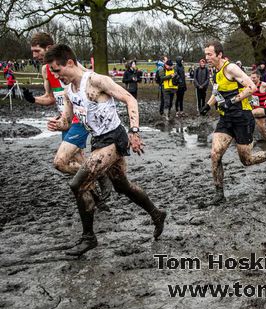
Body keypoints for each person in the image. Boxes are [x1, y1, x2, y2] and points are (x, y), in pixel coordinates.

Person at [44, 44, 166, 256]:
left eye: (57, 70)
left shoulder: (96, 81)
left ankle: (88, 237)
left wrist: (134, 132)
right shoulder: (68, 91)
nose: (56, 75)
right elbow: (68, 120)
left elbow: (130, 99)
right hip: (99, 141)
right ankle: (157, 214)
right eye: (53, 72)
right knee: (122, 186)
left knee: (79, 183)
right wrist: (58, 124)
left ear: (70, 63)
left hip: (115, 138)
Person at [22, 32, 111, 207]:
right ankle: (96, 198)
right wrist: (32, 99)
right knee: (77, 163)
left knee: (62, 162)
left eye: (36, 51)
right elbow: (50, 98)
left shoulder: (71, 66)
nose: (34, 55)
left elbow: (93, 81)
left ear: (48, 48)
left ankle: (99, 175)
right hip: (65, 122)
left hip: (79, 119)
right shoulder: (45, 70)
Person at [198, 40, 266, 205]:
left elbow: (251, 87)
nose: (207, 57)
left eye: (210, 54)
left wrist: (232, 101)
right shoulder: (215, 71)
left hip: (242, 117)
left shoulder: (230, 68)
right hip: (226, 118)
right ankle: (219, 194)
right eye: (205, 54)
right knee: (215, 154)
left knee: (246, 160)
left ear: (219, 54)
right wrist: (207, 105)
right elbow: (217, 91)